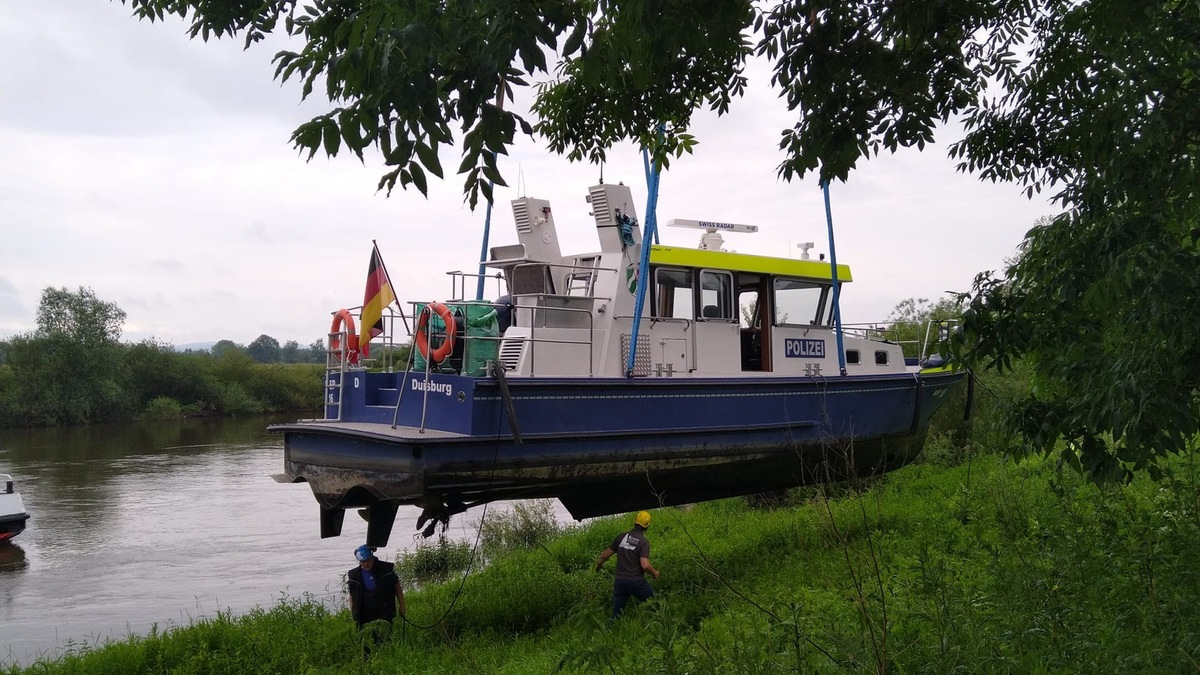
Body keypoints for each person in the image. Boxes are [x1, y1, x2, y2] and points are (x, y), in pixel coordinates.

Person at [594, 510, 660, 619]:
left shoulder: (621, 537)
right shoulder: (644, 542)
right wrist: (655, 573)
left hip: (620, 582)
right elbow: (644, 565)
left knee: (616, 616)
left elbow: (605, 556)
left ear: (634, 522)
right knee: (656, 605)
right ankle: (661, 626)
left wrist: (599, 564)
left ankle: (608, 632)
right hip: (636, 582)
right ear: (647, 526)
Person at [347, 544, 406, 638]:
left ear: (372, 557)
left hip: (384, 611)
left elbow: (397, 587)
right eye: (362, 561)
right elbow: (352, 595)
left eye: (367, 560)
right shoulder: (354, 575)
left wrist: (402, 606)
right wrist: (353, 613)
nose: (366, 564)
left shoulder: (385, 570)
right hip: (364, 614)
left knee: (384, 639)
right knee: (366, 642)